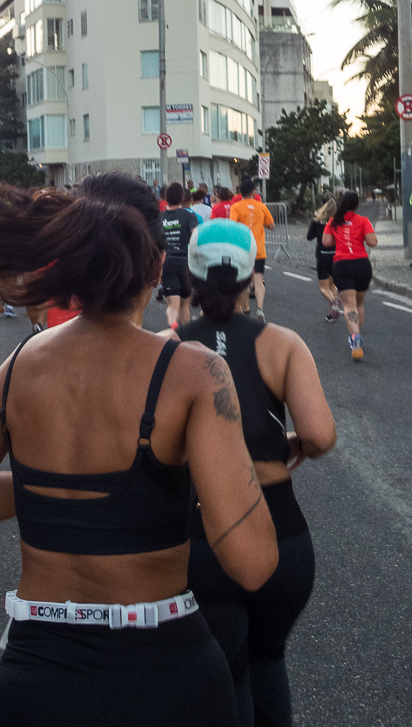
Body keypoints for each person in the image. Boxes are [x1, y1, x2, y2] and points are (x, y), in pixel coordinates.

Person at [0, 181, 278, 727]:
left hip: (35, 676)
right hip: (165, 672)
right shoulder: (192, 371)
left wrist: (66, 492)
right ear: (157, 264)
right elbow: (254, 563)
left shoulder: (20, 364)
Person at [165, 219, 337, 727]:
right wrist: (286, 442)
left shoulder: (164, 348)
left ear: (191, 277)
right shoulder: (282, 343)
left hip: (203, 533)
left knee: (225, 669)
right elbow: (320, 436)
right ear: (248, 277)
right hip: (282, 531)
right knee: (268, 657)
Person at [323, 191, 377, 362]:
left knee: (349, 306)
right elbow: (372, 242)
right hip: (362, 264)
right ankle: (356, 338)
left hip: (342, 265)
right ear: (356, 205)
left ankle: (355, 337)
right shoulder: (363, 221)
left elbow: (326, 242)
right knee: (359, 304)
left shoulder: (333, 221)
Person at [230, 180, 274, 322]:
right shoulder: (261, 206)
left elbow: (233, 226)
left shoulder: (236, 207)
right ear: (253, 192)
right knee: (259, 279)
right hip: (258, 248)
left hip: (242, 248)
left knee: (244, 280)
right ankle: (260, 309)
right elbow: (271, 225)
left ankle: (246, 310)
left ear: (240, 193)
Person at [159, 181, 198, 328]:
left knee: (172, 305)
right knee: (184, 305)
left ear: (165, 197)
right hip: (185, 262)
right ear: (182, 197)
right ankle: (185, 339)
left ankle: (173, 329)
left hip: (167, 262)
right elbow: (196, 238)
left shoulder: (159, 217)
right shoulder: (189, 215)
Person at [306, 198, 341, 321]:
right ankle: (332, 313)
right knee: (333, 286)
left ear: (322, 205)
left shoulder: (317, 220)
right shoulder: (338, 221)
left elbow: (309, 237)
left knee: (323, 287)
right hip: (335, 256)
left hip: (322, 255)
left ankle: (334, 302)